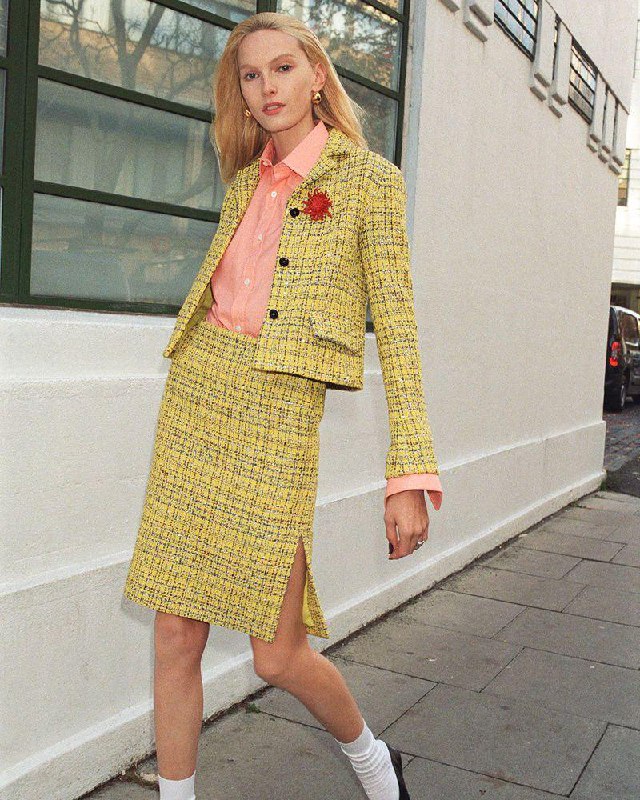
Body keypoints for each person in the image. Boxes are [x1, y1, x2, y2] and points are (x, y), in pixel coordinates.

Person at [123, 11, 443, 800]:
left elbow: (398, 329)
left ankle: (375, 763)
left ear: (317, 76)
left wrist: (409, 473)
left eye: (283, 68)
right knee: (175, 633)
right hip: (200, 397)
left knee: (276, 654)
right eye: (250, 75)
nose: (267, 87)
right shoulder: (244, 182)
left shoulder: (369, 182)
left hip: (277, 413)